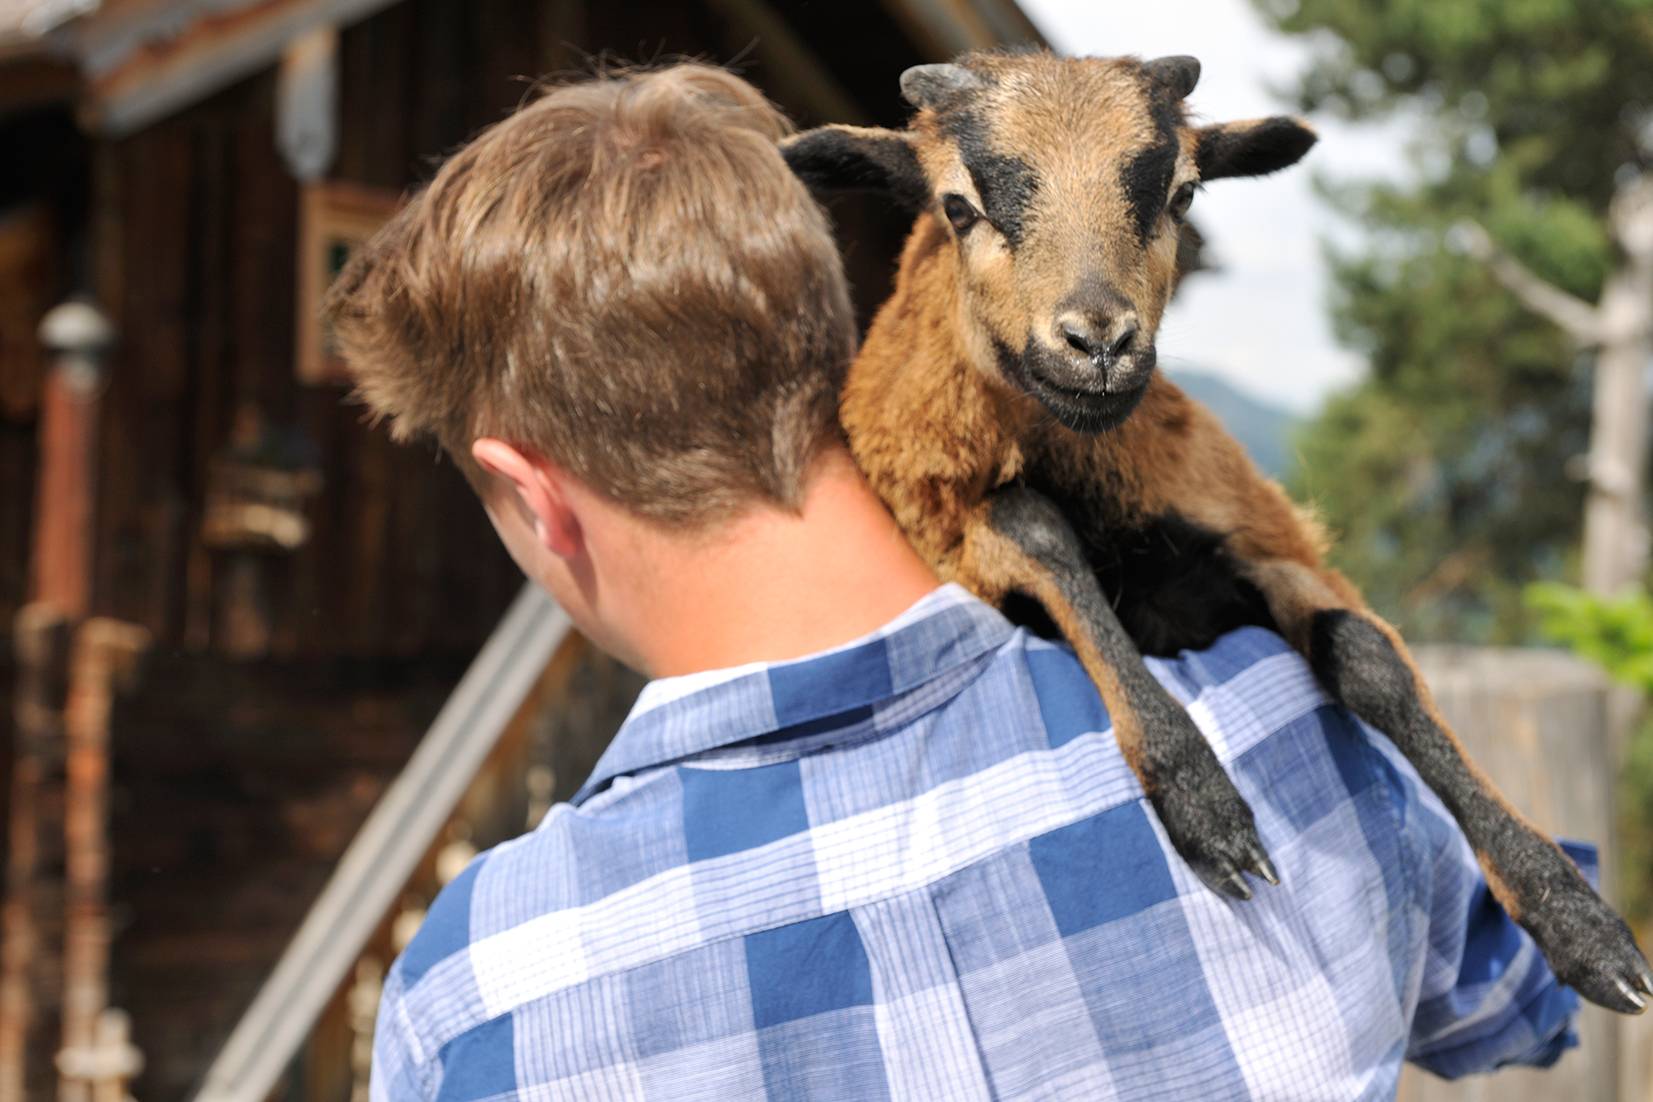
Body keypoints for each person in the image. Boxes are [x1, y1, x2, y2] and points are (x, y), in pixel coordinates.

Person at [326, 62, 1587, 1101]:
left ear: (534, 495)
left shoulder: (489, 990)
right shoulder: (1280, 719)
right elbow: (1514, 1006)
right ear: (821, 343)